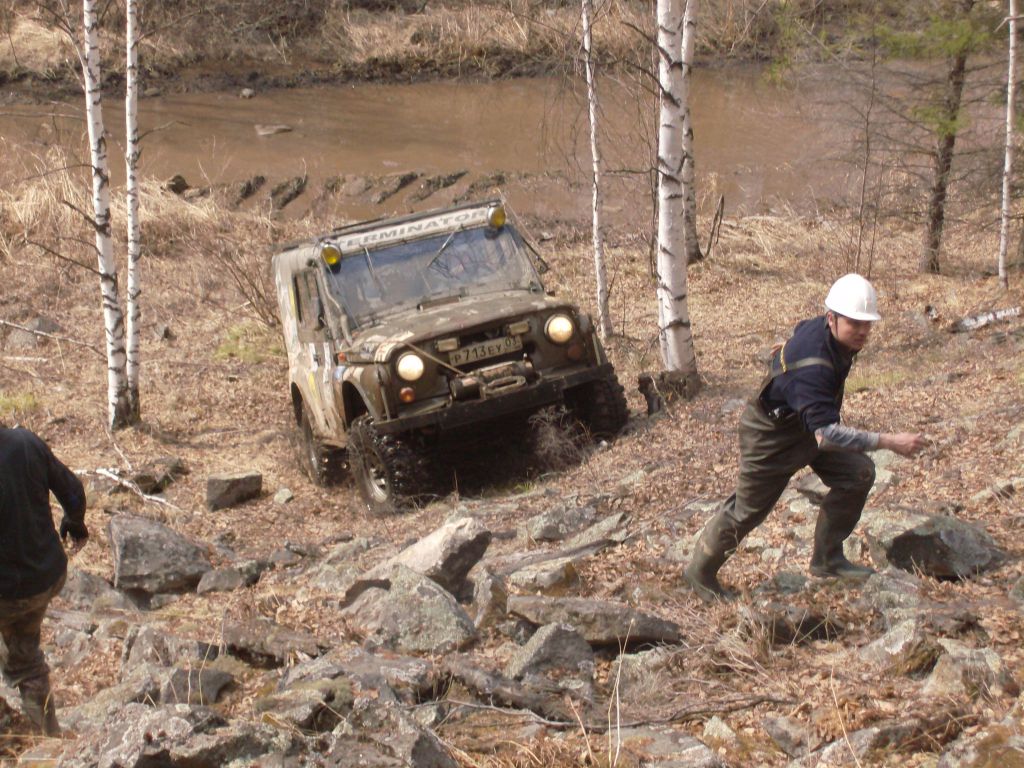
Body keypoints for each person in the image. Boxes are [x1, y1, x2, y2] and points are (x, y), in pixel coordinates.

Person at [684, 274, 927, 602]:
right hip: (770, 437)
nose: (862, 331)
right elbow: (828, 435)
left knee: (858, 473)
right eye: (854, 323)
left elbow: (801, 329)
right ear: (832, 318)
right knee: (746, 510)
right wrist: (890, 441)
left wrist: (785, 350)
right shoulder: (814, 367)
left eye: (867, 324)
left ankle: (828, 560)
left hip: (806, 426)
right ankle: (699, 574)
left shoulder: (825, 331)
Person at [0, 425, 87, 736]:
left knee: (22, 657)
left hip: (8, 592)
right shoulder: (26, 442)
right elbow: (73, 491)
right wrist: (74, 523)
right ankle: (49, 739)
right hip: (44, 578)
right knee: (26, 662)